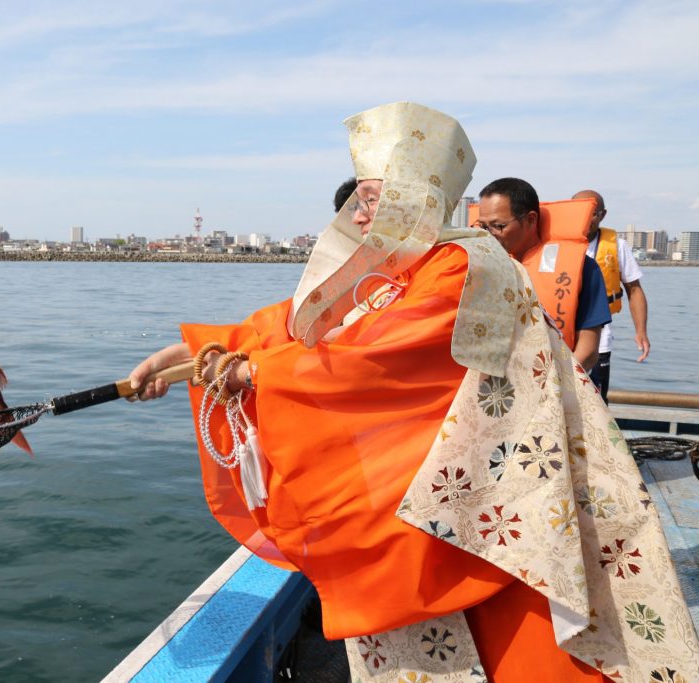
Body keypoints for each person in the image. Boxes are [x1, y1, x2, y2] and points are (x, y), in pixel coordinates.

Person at [128, 102, 697, 682]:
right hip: (433, 488)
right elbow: (303, 322)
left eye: (375, 196)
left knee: (527, 650)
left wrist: (251, 376)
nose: (362, 210)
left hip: (499, 489)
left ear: (418, 193)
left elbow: (374, 355)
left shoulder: (463, 263)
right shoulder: (393, 269)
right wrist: (194, 353)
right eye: (362, 199)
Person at [475, 178, 611, 371]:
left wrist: (551, 389)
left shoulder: (584, 269)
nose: (489, 234)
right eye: (483, 227)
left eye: (498, 226)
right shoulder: (476, 267)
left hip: (554, 386)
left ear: (531, 219)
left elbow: (588, 351)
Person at [573, 189, 650, 403]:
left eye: (593, 212)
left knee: (595, 400)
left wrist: (641, 331)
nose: (586, 217)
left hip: (599, 336)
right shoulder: (555, 243)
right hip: (560, 331)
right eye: (580, 211)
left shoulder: (617, 246)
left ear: (602, 215)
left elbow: (634, 289)